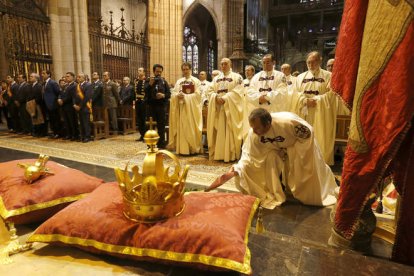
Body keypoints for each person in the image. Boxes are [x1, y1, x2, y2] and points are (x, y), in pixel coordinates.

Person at [232, 108, 337, 209]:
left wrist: (293, 150)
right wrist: (239, 169)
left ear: (268, 123)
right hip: (278, 148)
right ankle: (279, 188)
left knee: (304, 170)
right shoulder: (254, 134)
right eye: (252, 127)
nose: (254, 131)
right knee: (270, 158)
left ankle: (309, 194)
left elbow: (307, 133)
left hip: (298, 145)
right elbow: (251, 156)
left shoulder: (289, 122)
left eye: (257, 128)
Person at [292, 51, 339, 165]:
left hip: (322, 113)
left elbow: (332, 94)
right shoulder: (300, 77)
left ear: (320, 61)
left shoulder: (329, 76)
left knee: (320, 137)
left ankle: (321, 164)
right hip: (305, 112)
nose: (311, 65)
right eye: (309, 62)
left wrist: (317, 100)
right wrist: (304, 100)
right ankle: (304, 162)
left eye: (313, 62)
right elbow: (294, 94)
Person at [207, 58, 244, 162]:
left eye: (225, 64)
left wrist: (226, 98)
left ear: (230, 64)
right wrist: (215, 97)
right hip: (218, 109)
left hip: (230, 109)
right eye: (222, 64)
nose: (223, 66)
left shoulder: (237, 77)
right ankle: (219, 154)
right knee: (218, 131)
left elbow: (239, 92)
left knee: (229, 131)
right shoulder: (216, 79)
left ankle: (230, 155)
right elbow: (209, 90)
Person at [168, 62, 202, 155]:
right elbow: (173, 93)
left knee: (190, 127)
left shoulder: (196, 81)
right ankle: (182, 150)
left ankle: (192, 149)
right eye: (184, 69)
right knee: (181, 128)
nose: (185, 71)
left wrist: (186, 97)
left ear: (190, 69)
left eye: (187, 69)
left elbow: (198, 95)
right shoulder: (179, 81)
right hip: (181, 108)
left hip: (191, 110)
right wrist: (177, 96)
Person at [144, 64, 171, 149]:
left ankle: (161, 144)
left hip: (161, 107)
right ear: (154, 71)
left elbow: (169, 94)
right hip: (151, 107)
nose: (158, 73)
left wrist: (163, 95)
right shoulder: (148, 80)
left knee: (161, 126)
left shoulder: (164, 81)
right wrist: (150, 85)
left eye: (160, 72)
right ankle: (150, 144)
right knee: (150, 126)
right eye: (157, 71)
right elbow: (145, 92)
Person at [58, 72, 79, 141]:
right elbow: (60, 93)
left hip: (70, 106)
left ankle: (74, 135)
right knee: (66, 121)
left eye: (68, 76)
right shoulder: (65, 85)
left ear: (73, 77)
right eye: (66, 76)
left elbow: (71, 96)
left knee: (72, 121)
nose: (67, 78)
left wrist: (63, 101)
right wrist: (59, 98)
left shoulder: (74, 85)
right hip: (64, 106)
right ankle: (69, 134)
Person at [73, 73, 93, 142]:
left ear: (84, 78)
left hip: (85, 107)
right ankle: (82, 136)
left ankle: (87, 137)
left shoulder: (88, 85)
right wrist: (74, 104)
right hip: (78, 107)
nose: (77, 78)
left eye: (79, 77)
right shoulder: (77, 85)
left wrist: (80, 106)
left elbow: (87, 97)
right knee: (80, 123)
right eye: (77, 77)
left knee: (85, 123)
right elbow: (74, 96)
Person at [41, 70, 61, 138]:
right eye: (42, 73)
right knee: (51, 120)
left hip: (53, 104)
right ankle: (54, 132)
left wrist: (56, 101)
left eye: (44, 73)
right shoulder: (44, 83)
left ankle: (58, 133)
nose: (42, 75)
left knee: (55, 119)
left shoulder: (52, 83)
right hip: (46, 104)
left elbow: (58, 92)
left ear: (49, 74)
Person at [28, 73, 47, 137]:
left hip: (38, 104)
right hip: (32, 104)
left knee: (40, 119)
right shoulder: (30, 85)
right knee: (35, 119)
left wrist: (34, 101)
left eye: (31, 76)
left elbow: (39, 96)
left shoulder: (39, 85)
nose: (30, 77)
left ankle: (42, 132)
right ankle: (36, 132)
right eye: (30, 76)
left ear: (36, 78)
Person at [134, 67, 147, 141]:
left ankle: (145, 135)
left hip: (144, 102)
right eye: (138, 71)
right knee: (139, 120)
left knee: (144, 119)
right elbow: (135, 93)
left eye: (140, 71)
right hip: (137, 102)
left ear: (144, 72)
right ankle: (142, 135)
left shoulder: (146, 81)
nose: (139, 72)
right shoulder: (136, 81)